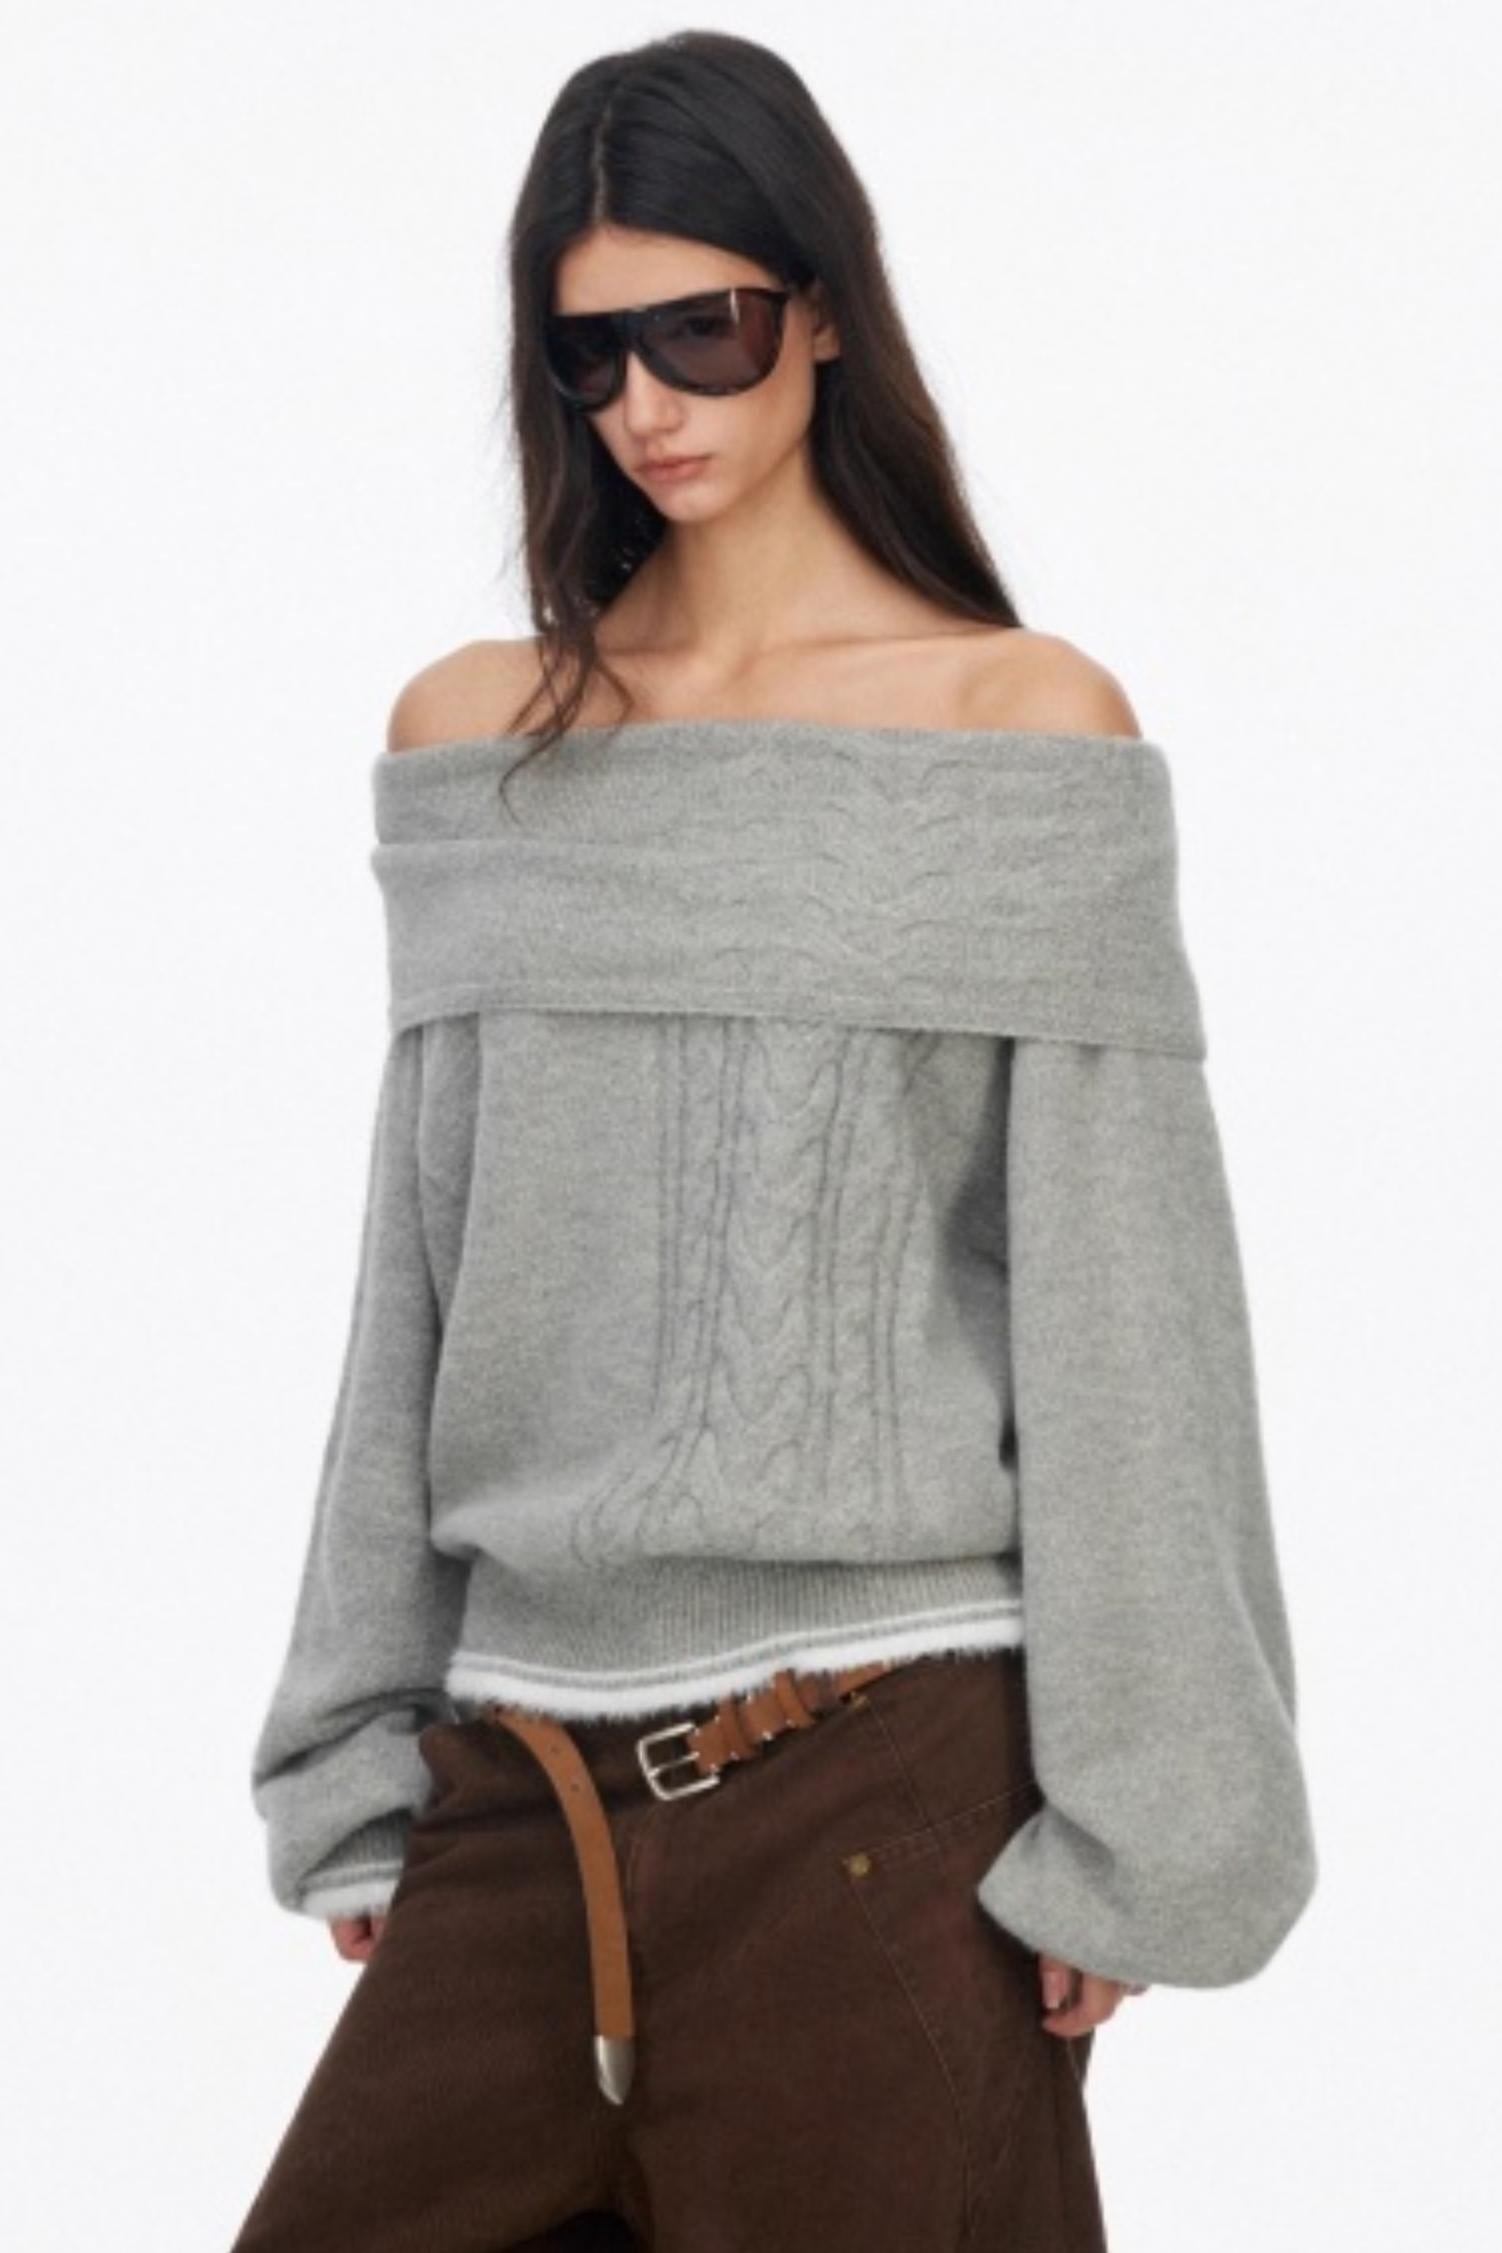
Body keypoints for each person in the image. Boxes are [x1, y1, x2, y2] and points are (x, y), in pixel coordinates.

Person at [230, 27, 1317, 2252]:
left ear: (819, 306)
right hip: (519, 1792)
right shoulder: (478, 742)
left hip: (884, 1789)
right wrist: (353, 1742)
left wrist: (1149, 1821)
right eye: (588, 352)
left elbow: (1128, 1315)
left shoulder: (1020, 731)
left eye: (700, 329)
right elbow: (415, 1268)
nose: (646, 400)